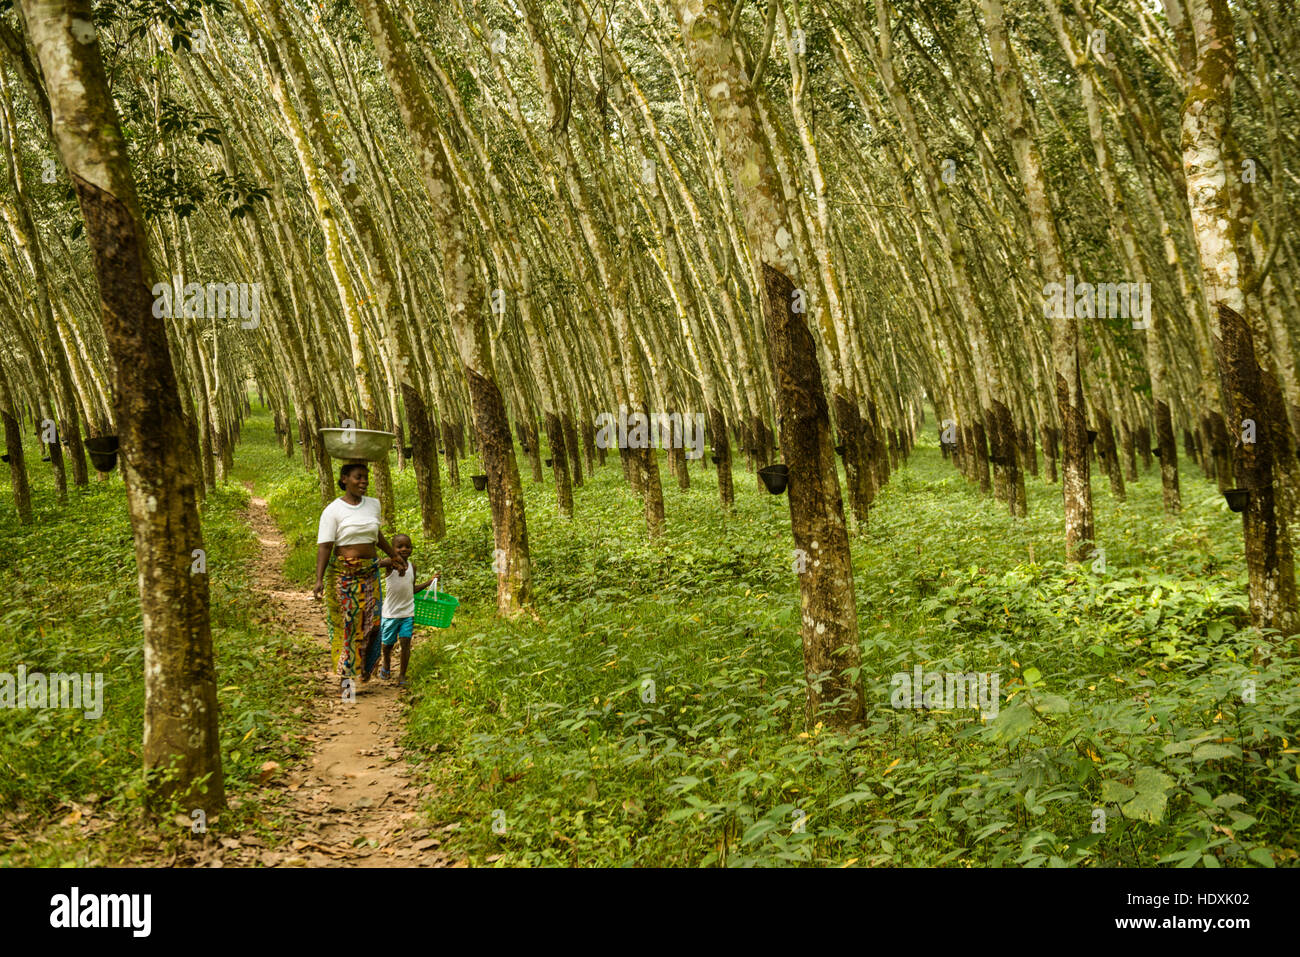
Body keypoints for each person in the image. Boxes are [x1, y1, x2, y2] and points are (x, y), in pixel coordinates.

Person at [313, 462, 405, 692]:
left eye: (366, 477)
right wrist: (318, 579)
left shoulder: (373, 505)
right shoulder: (333, 510)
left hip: (370, 573)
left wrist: (393, 555)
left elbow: (376, 534)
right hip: (344, 576)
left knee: (373, 624)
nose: (363, 481)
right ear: (344, 479)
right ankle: (346, 678)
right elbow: (325, 546)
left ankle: (363, 669)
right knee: (348, 625)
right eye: (358, 477)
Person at [376, 534, 434, 687]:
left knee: (406, 643)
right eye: (399, 546)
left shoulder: (413, 567)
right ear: (393, 549)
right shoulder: (390, 564)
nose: (404, 549)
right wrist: (392, 561)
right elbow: (377, 564)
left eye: (407, 546)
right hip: (390, 613)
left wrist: (429, 582)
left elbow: (412, 589)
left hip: (408, 613)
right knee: (387, 645)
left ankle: (402, 675)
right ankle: (386, 665)